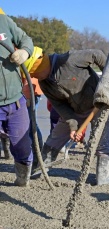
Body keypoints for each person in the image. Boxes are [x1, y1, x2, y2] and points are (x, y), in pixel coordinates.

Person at [24, 46, 109, 185]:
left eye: (33, 73)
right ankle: (39, 171)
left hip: (98, 104)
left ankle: (103, 181)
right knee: (54, 140)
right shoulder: (44, 83)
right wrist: (73, 125)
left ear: (40, 67)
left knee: (101, 144)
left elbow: (97, 53)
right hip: (74, 110)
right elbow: (60, 106)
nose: (32, 77)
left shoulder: (69, 59)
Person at [0, 7, 34, 186]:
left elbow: (25, 40)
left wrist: (24, 52)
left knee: (21, 145)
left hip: (15, 101)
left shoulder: (4, 22)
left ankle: (22, 180)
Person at [21, 51, 44, 157]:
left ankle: (38, 152)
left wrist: (28, 97)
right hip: (28, 91)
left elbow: (28, 76)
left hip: (30, 92)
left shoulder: (21, 51)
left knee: (30, 123)